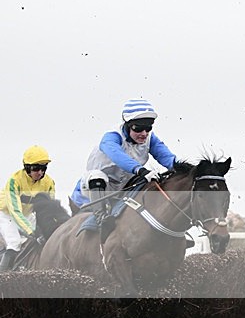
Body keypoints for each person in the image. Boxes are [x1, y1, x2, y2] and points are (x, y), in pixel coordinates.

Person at [69, 99, 178, 237]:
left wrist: (187, 170)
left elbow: (167, 157)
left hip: (124, 188)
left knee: (153, 180)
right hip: (92, 190)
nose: (144, 133)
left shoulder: (150, 138)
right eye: (138, 128)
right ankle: (101, 219)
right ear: (127, 125)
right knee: (98, 175)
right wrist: (140, 170)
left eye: (148, 128)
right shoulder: (111, 137)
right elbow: (117, 155)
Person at [0, 146, 56, 271]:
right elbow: (15, 211)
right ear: (27, 167)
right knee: (14, 243)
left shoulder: (49, 183)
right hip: (7, 214)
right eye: (36, 168)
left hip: (28, 215)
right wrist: (32, 231)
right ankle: (2, 279)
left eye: (43, 168)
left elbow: (49, 210)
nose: (40, 172)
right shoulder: (14, 181)